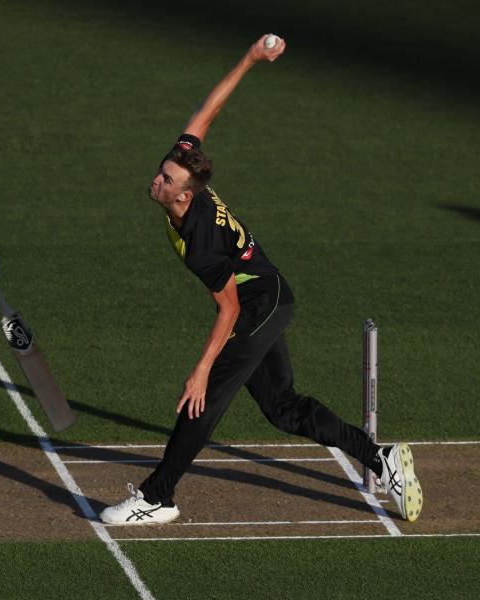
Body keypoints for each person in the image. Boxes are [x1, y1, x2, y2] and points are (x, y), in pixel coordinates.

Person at [100, 35, 423, 524]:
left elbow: (229, 308)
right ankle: (381, 457)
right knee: (282, 407)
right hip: (266, 296)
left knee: (201, 401)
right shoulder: (185, 176)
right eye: (162, 172)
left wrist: (202, 368)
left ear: (185, 197)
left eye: (166, 179)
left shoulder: (201, 240)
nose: (157, 179)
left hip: (259, 302)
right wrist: (250, 59)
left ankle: (157, 496)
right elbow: (207, 112)